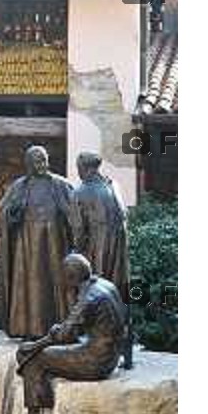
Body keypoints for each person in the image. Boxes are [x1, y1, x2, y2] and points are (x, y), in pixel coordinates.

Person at [15, 254, 127, 414]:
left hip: (96, 361)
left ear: (72, 278)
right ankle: (43, 405)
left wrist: (36, 345)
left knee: (35, 360)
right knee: (38, 356)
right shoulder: (105, 285)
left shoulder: (88, 298)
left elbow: (65, 334)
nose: (62, 280)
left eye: (65, 276)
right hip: (111, 354)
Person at [0, 146, 74, 338]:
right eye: (37, 161)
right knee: (29, 285)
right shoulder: (19, 186)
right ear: (29, 164)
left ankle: (60, 325)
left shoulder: (61, 184)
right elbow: (4, 211)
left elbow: (74, 215)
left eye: (44, 160)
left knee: (55, 282)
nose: (42, 165)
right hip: (27, 243)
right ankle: (28, 327)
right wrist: (13, 212)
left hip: (55, 242)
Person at [71, 151, 132, 368]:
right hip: (119, 252)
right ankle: (127, 352)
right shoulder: (112, 186)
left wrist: (75, 258)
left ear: (84, 168)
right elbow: (125, 218)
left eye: (78, 167)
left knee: (97, 296)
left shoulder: (80, 192)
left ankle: (95, 348)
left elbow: (78, 231)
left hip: (98, 251)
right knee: (120, 296)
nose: (77, 171)